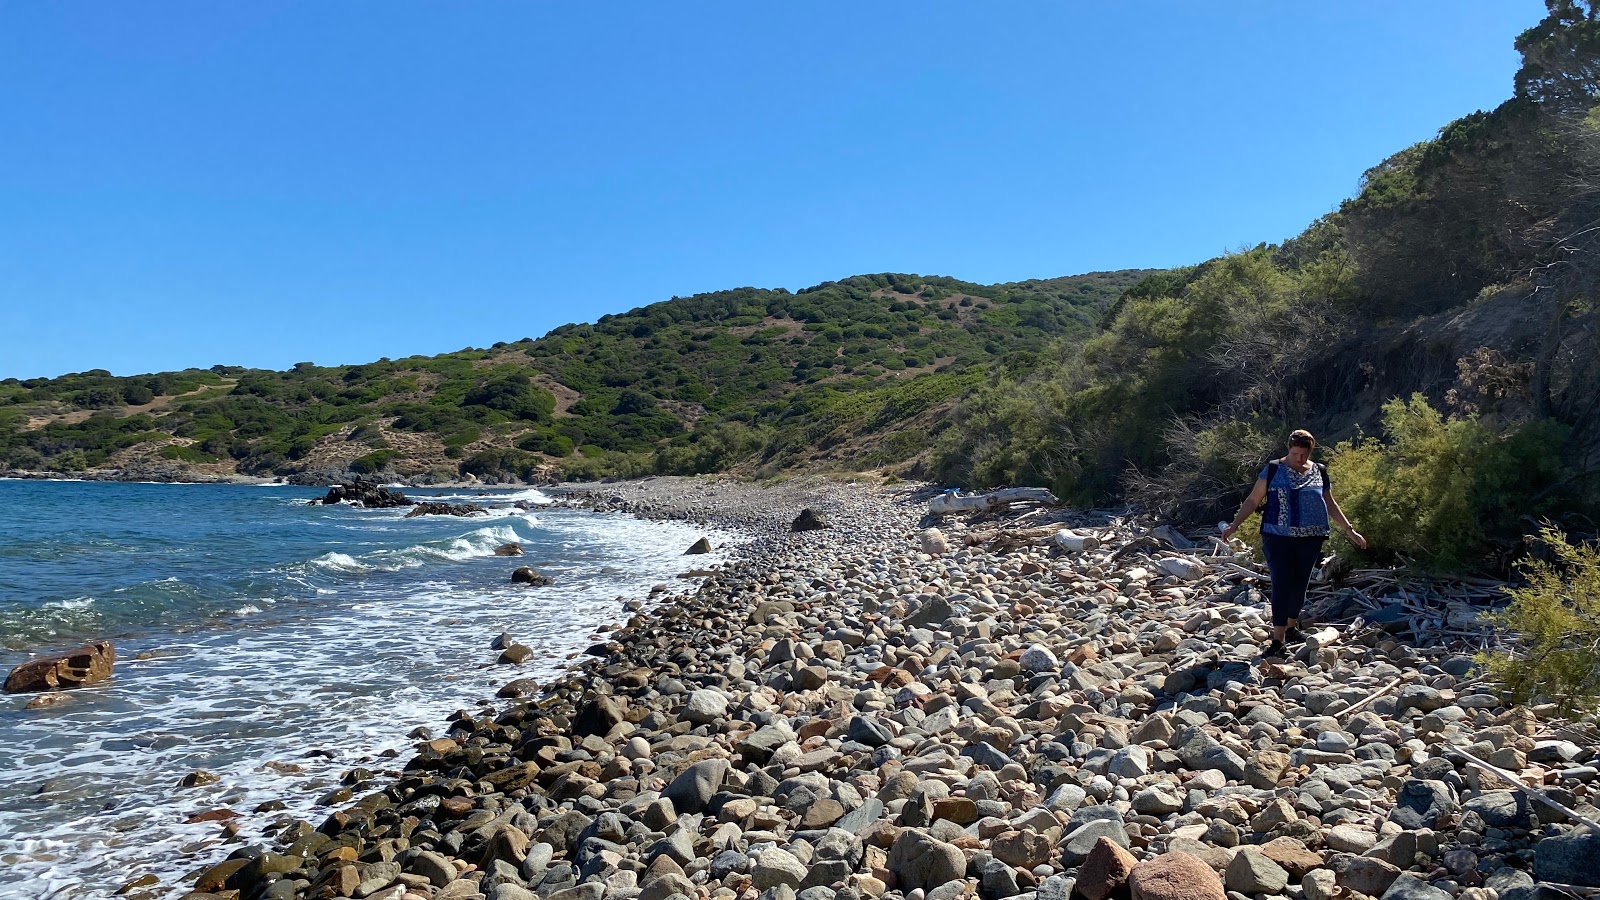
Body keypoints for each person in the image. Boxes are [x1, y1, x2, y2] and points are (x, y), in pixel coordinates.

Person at [1221, 429, 1366, 658]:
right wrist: (1235, 525)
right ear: (1289, 448)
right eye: (1295, 453)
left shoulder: (1319, 471)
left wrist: (1350, 530)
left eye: (1303, 454)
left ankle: (1290, 627)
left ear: (1310, 451)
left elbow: (1329, 502)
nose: (1299, 458)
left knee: (1300, 584)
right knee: (1281, 583)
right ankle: (1277, 641)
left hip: (1311, 537)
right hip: (1277, 536)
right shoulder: (1273, 469)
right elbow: (1252, 499)